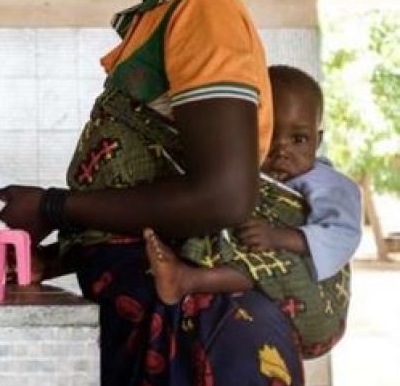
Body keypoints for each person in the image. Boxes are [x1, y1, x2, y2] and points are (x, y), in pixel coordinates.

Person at [0, 0, 310, 386]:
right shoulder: (163, 16)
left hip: (210, 341)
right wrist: (56, 253)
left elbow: (223, 196)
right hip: (164, 325)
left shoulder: (202, 12)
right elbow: (152, 196)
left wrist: (54, 205)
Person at [145, 65, 361, 327]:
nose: (281, 150)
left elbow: (342, 233)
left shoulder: (330, 184)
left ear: (318, 140)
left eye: (299, 139)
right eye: (268, 134)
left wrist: (279, 237)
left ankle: (186, 280)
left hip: (310, 291)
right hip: (255, 270)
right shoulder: (246, 172)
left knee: (276, 266)